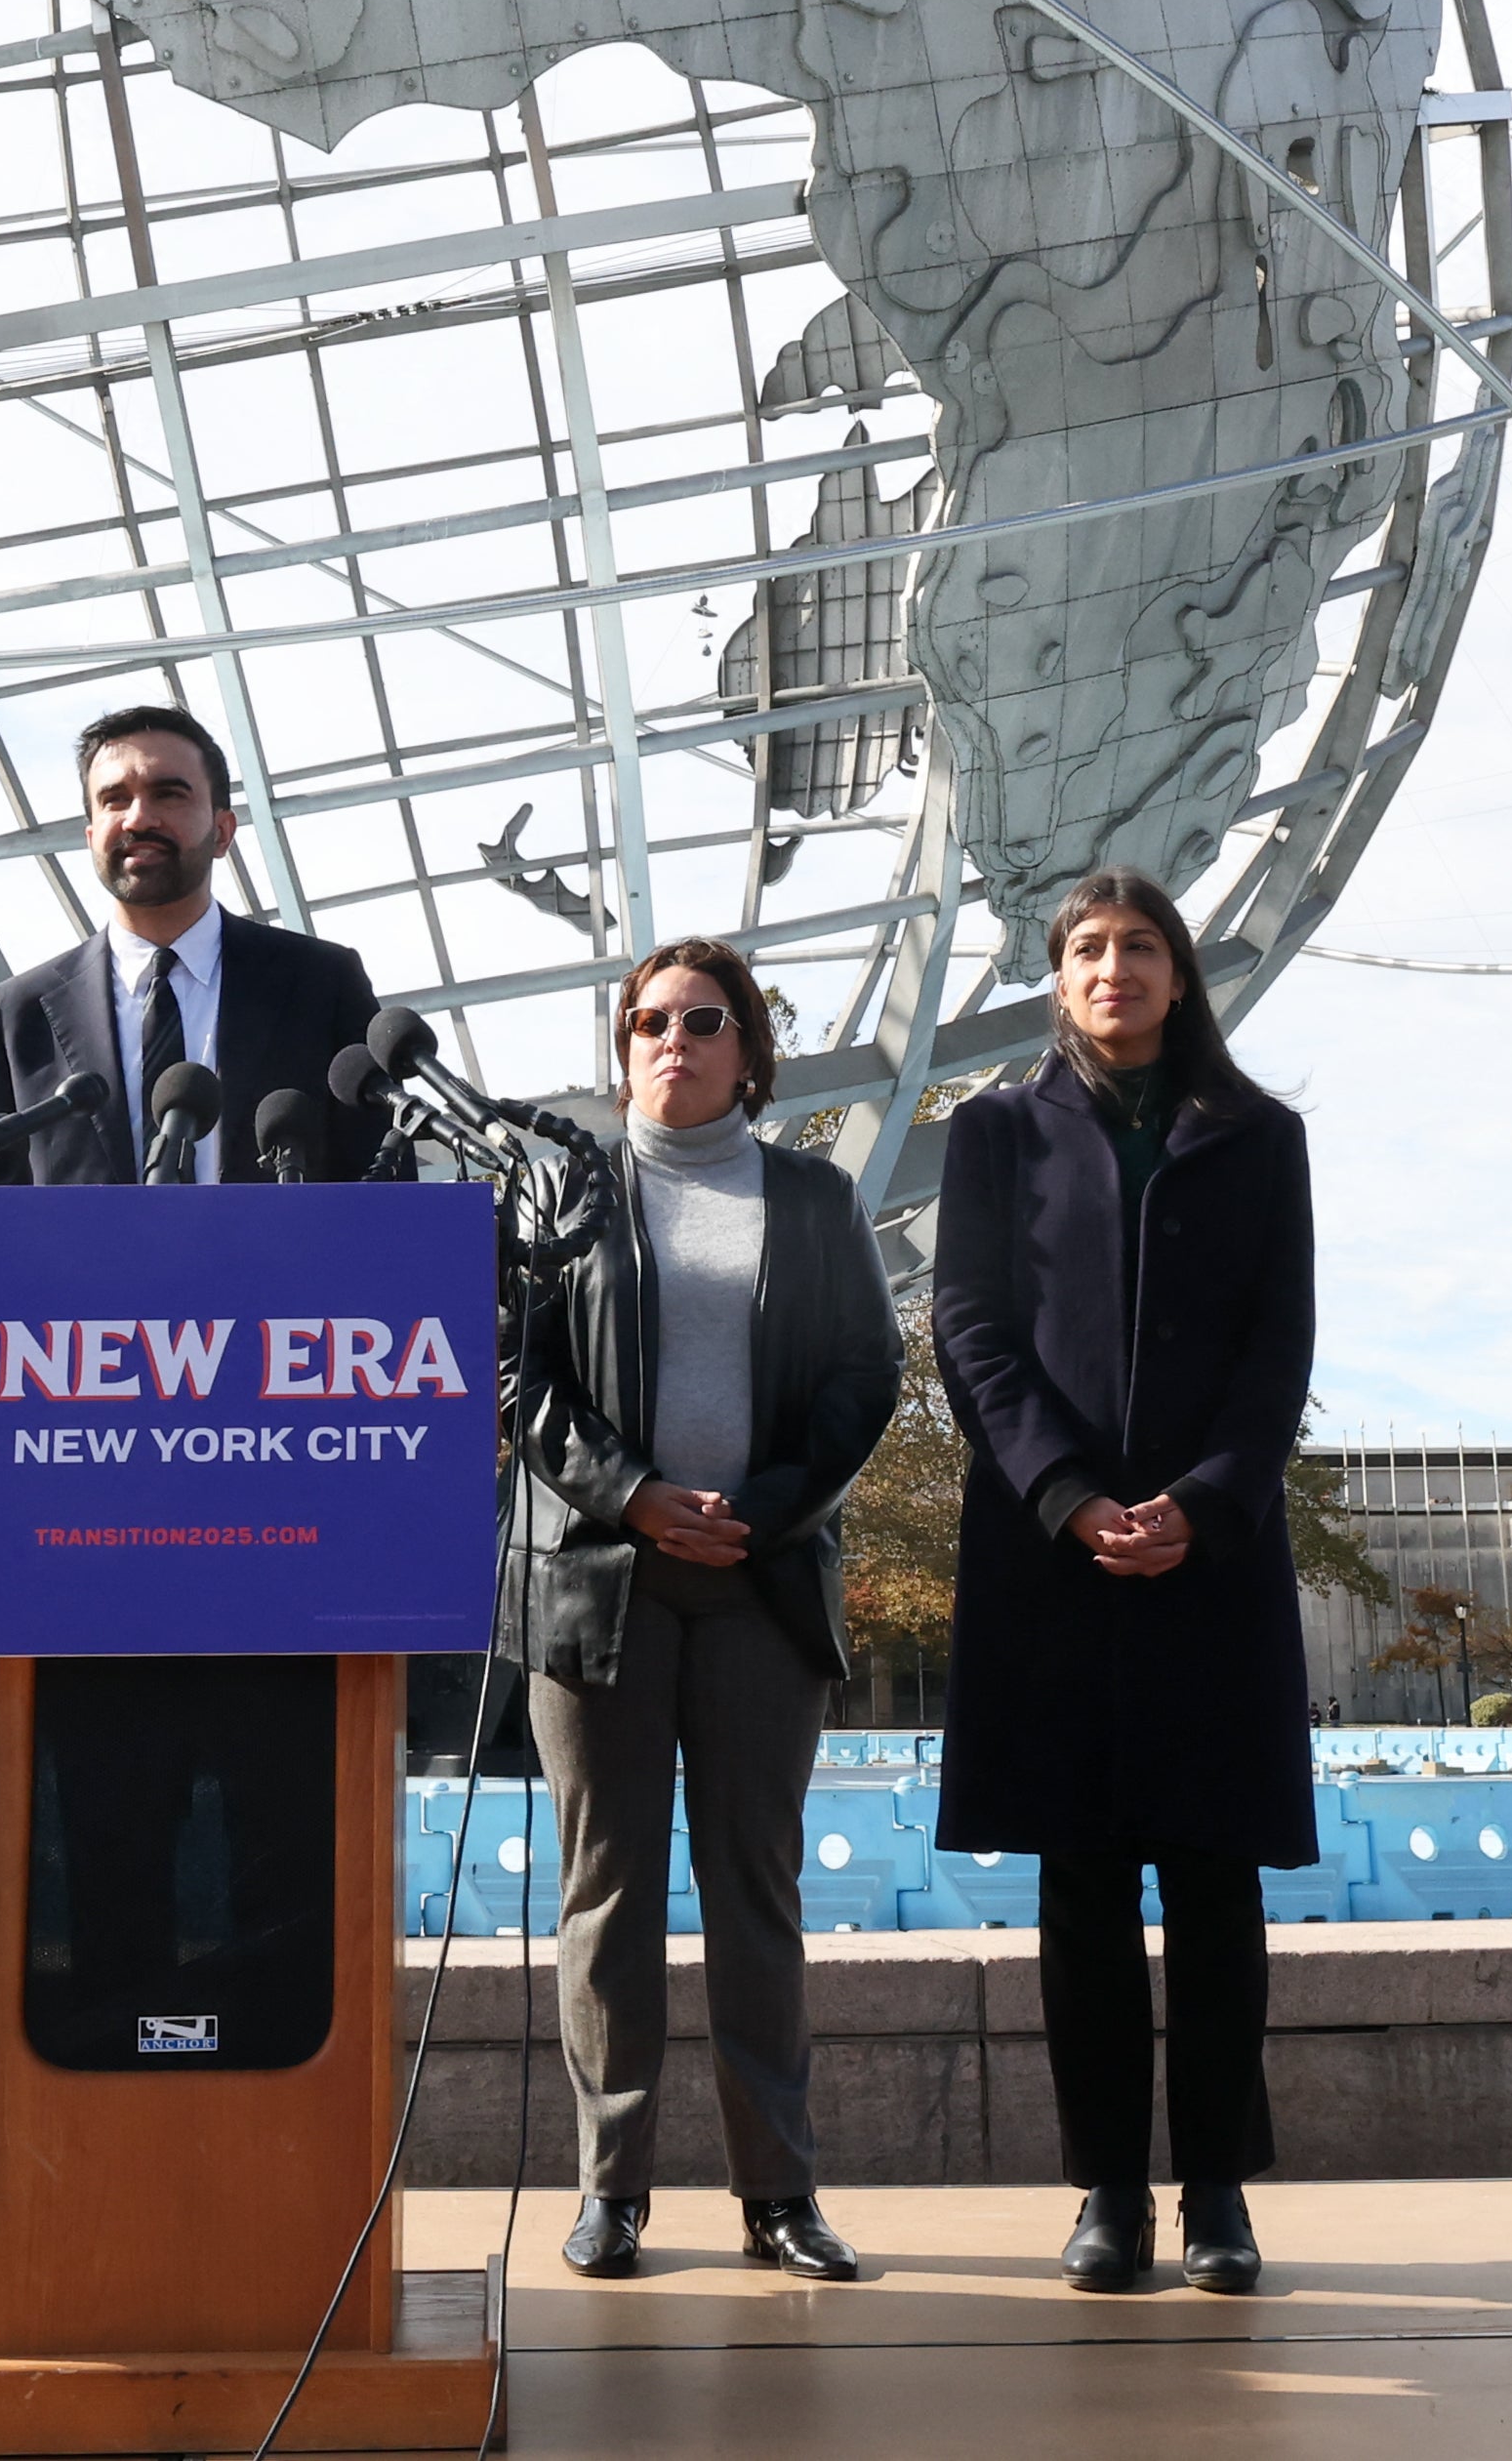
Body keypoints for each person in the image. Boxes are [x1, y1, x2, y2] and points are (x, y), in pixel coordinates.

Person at [924, 868, 1313, 2302]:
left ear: (1177, 970)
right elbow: (968, 1326)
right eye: (1086, 948)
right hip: (1054, 1558)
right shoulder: (993, 1134)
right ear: (1057, 977)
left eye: (1138, 944)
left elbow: (1281, 1347)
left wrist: (1202, 1504)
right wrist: (1071, 1496)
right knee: (1081, 1884)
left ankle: (1217, 2188)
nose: (1113, 967)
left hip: (1209, 1561)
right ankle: (1105, 2189)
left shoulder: (1259, 1136)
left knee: (1214, 1880)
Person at [503, 940, 902, 2285]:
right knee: (605, 1892)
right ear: (623, 1044)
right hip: (601, 1581)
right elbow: (521, 1377)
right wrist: (633, 1494)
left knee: (754, 1891)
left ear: (750, 1050)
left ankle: (777, 2194)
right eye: (650, 1019)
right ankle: (611, 2191)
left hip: (761, 1578)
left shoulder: (811, 1197)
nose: (673, 1037)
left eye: (705, 1019)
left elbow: (863, 1374)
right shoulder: (563, 1195)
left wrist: (760, 1507)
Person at [0, 702, 383, 1183]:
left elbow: (382, 1181)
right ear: (91, 837)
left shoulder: (321, 986)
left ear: (222, 832)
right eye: (114, 799)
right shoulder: (18, 1016)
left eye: (168, 794)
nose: (138, 819)